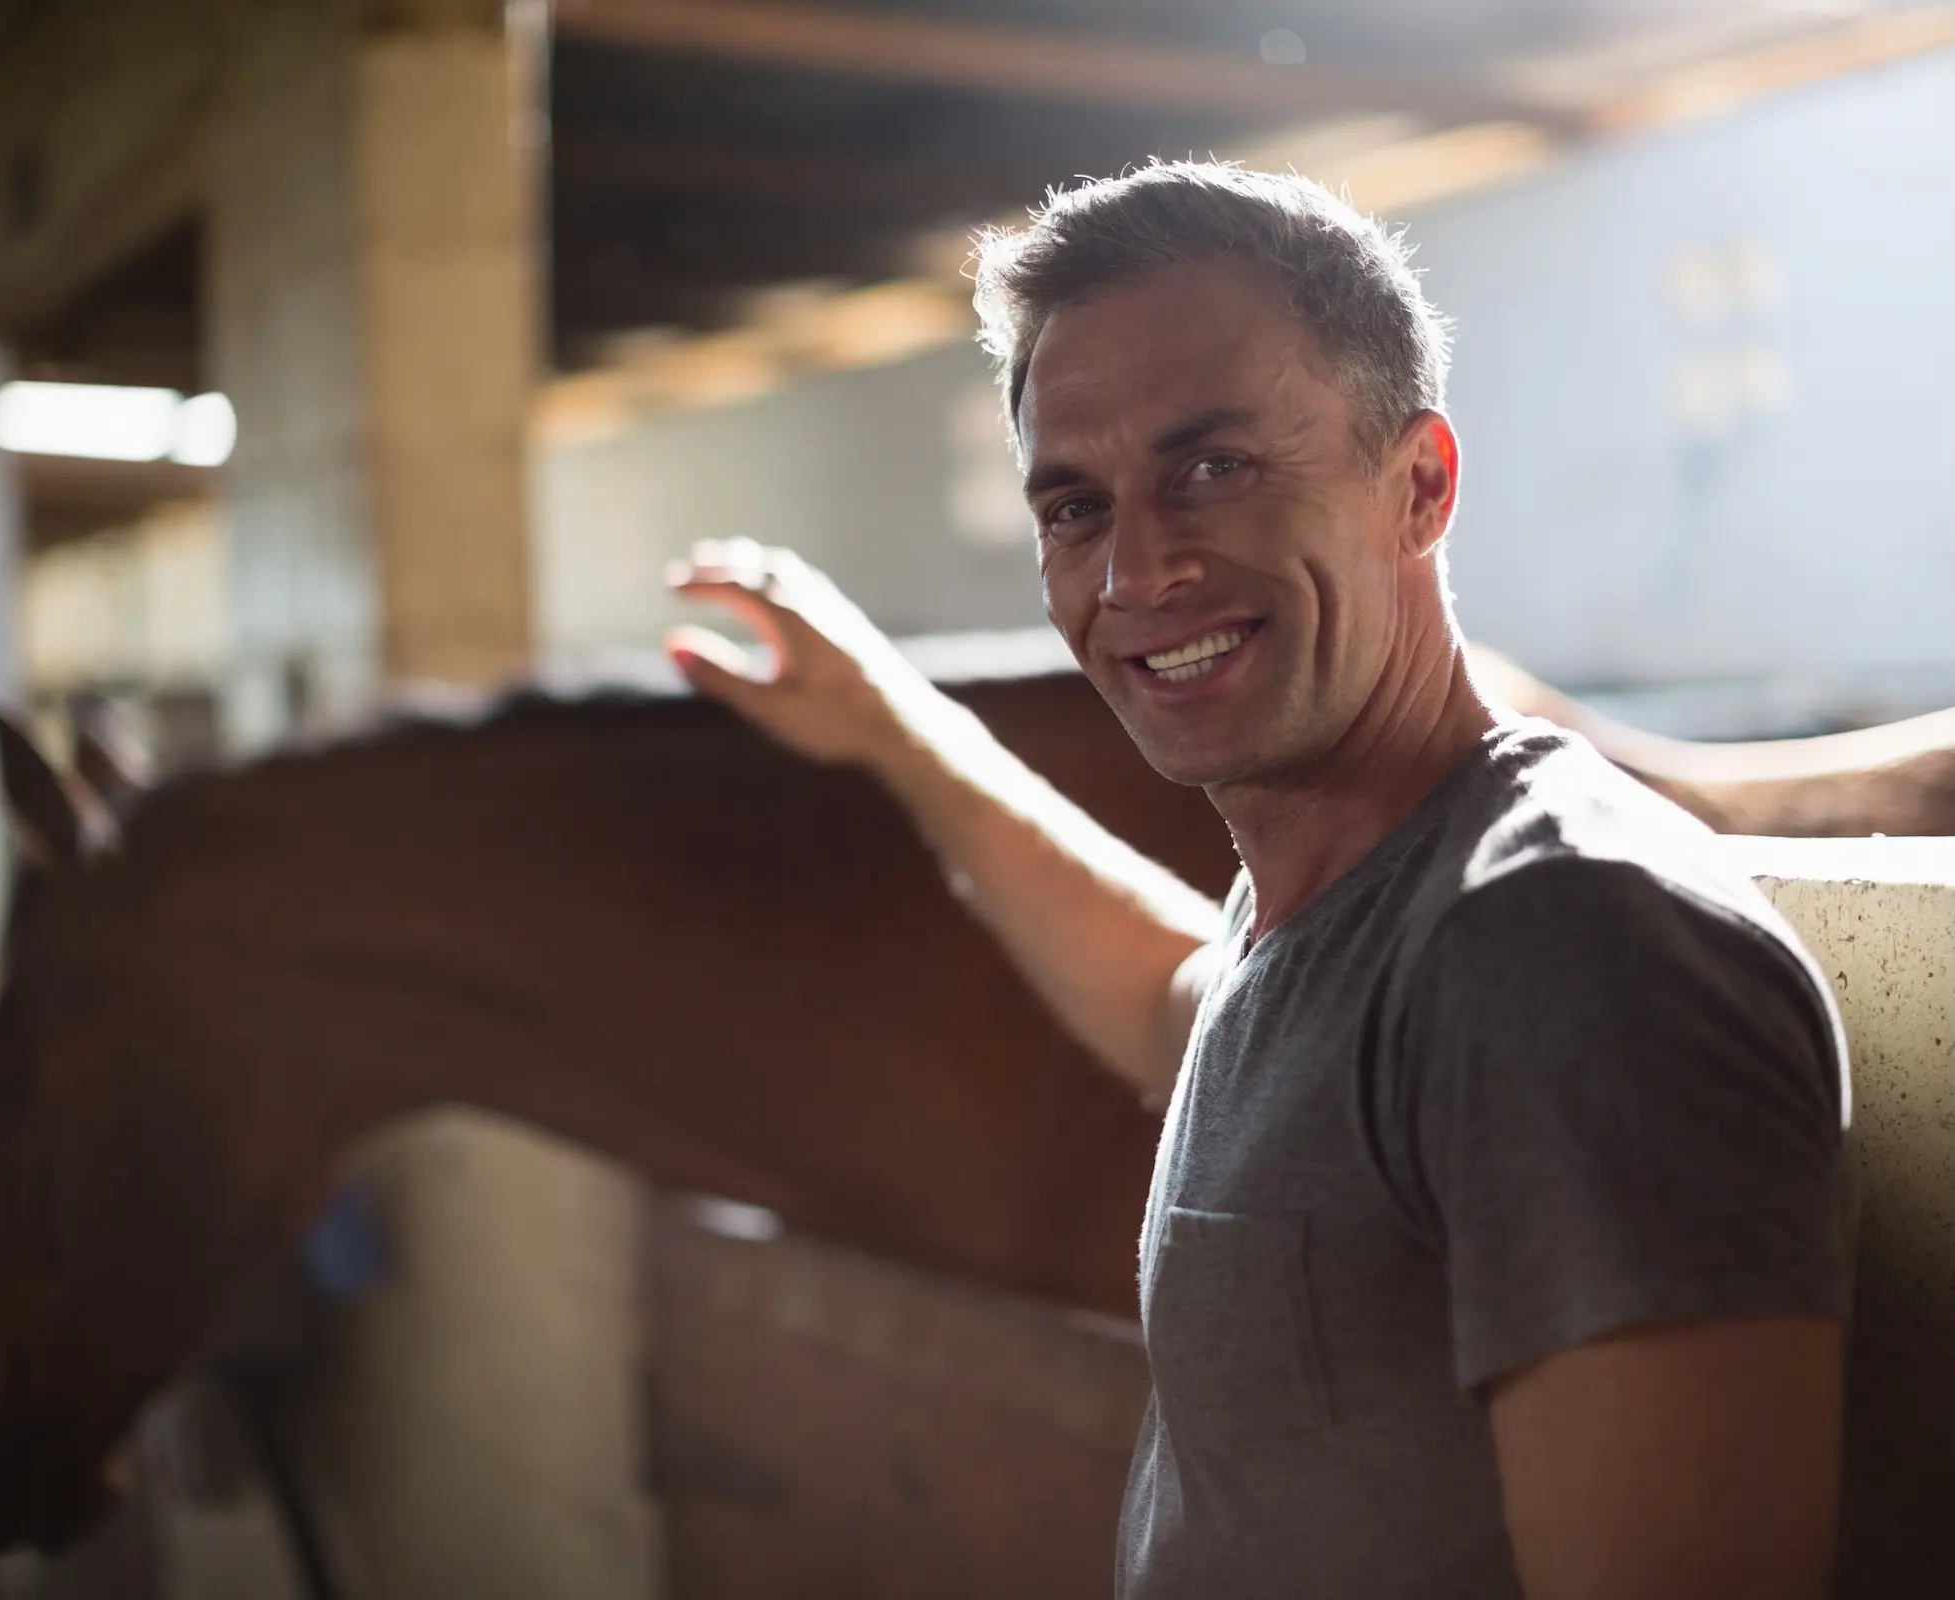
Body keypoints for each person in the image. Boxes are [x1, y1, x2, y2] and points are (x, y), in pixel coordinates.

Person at [665, 164, 1850, 1600]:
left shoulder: (1571, 944)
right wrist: (896, 733)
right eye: (1076, 507)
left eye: (1212, 468)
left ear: (1419, 487)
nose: (1136, 572)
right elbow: (1188, 1011)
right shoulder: (1343, 918)